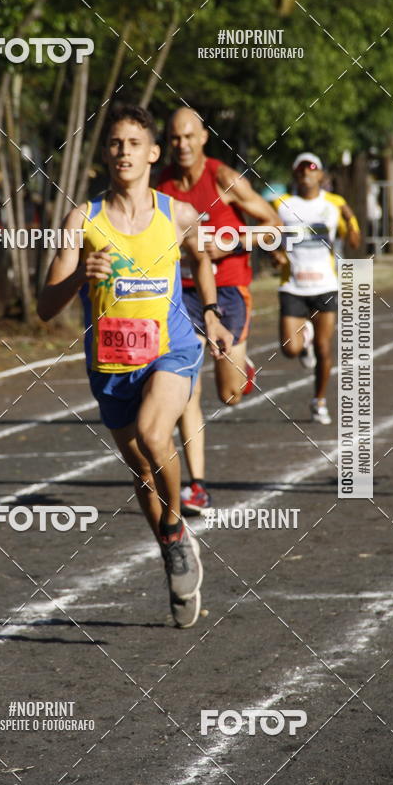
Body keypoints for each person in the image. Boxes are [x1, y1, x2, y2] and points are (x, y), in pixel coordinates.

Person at [38, 103, 233, 628]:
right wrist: (81, 277)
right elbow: (44, 306)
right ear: (107, 154)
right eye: (115, 144)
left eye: (133, 143)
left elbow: (201, 258)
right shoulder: (84, 219)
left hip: (171, 349)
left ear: (153, 153)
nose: (123, 151)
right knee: (141, 470)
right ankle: (172, 541)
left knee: (154, 434)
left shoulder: (177, 214)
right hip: (111, 364)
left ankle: (174, 528)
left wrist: (211, 314)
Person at [157, 107, 279, 515]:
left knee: (229, 395)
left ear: (204, 137)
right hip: (182, 295)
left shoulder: (224, 178)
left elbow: (274, 226)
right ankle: (198, 486)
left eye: (189, 136)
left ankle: (242, 371)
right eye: (175, 138)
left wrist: (229, 243)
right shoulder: (161, 187)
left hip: (227, 291)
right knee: (185, 387)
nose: (182, 145)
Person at [272, 152, 360, 425]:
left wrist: (350, 217)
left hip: (325, 284)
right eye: (300, 168)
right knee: (289, 348)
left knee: (324, 348)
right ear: (294, 174)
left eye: (312, 168)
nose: (306, 172)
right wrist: (275, 252)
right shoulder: (281, 204)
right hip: (293, 285)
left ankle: (318, 401)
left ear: (321, 174)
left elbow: (354, 242)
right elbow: (267, 234)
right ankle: (303, 340)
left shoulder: (335, 204)